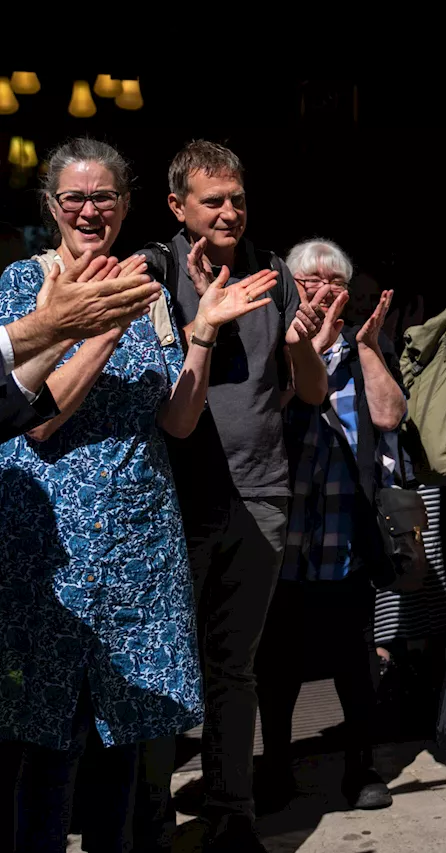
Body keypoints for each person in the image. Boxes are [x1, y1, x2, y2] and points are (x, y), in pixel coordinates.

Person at [0, 137, 280, 851]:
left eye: (105, 198)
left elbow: (179, 420)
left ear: (125, 206)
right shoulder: (22, 284)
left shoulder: (145, 288)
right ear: (52, 207)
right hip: (56, 550)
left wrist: (203, 336)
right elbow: (40, 421)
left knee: (125, 746)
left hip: (139, 547)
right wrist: (103, 322)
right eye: (76, 198)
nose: (91, 211)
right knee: (52, 746)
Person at [137, 140, 331, 852]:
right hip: (176, 500)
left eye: (237, 198)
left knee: (232, 664)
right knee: (162, 661)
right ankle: (150, 817)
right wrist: (202, 322)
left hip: (261, 494)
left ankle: (231, 810)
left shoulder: (274, 273)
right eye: (212, 200)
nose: (228, 212)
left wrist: (305, 339)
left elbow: (308, 390)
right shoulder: (154, 273)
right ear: (178, 207)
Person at [255, 239, 405, 813]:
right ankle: (275, 766)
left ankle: (360, 769)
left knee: (354, 662)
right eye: (309, 281)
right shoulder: (271, 345)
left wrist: (366, 348)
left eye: (334, 283)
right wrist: (307, 350)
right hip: (284, 537)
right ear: (290, 288)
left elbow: (390, 414)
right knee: (277, 664)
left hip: (348, 534)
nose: (322, 292)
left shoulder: (370, 345)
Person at [0, 249, 162, 442]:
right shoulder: (23, 277)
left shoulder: (145, 286)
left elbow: (12, 404)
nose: (90, 216)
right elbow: (35, 426)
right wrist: (52, 323)